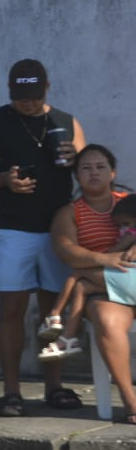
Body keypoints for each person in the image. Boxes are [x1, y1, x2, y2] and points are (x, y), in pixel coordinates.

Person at [0, 59, 85, 416]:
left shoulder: (67, 121)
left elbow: (89, 171)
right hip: (15, 228)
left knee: (53, 312)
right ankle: (11, 392)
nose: (28, 103)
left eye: (34, 96)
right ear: (10, 91)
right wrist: (5, 180)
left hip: (58, 230)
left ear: (47, 88)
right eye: (21, 97)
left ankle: (55, 386)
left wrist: (77, 158)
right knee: (12, 309)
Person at [46, 145, 136, 423]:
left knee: (81, 282)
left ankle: (66, 332)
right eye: (86, 168)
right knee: (105, 319)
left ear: (113, 172)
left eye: (100, 167)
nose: (93, 173)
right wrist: (104, 259)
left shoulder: (130, 202)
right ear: (76, 175)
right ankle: (131, 401)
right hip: (105, 288)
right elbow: (66, 251)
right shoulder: (70, 213)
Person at [41, 195, 136, 360]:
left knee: (78, 272)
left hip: (131, 278)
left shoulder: (131, 234)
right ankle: (68, 338)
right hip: (128, 280)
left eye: (126, 223)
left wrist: (100, 258)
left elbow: (114, 251)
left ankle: (55, 314)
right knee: (82, 287)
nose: (123, 228)